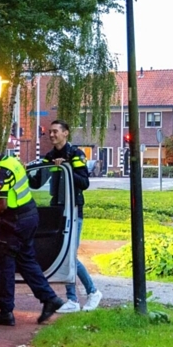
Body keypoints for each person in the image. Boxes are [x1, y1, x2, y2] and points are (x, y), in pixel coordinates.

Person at [0, 138, 65, 326]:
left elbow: (1, 204)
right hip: (29, 215)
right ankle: (49, 299)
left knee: (6, 265)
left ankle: (6, 311)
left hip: (15, 221)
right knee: (26, 260)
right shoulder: (11, 161)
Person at [34, 120, 102, 313]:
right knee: (64, 254)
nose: (52, 135)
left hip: (73, 211)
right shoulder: (49, 157)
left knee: (69, 255)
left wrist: (67, 168)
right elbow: (38, 183)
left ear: (66, 133)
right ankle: (73, 299)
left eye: (56, 132)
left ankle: (91, 292)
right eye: (50, 132)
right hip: (57, 209)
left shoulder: (76, 154)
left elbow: (84, 182)